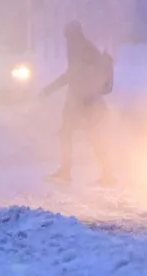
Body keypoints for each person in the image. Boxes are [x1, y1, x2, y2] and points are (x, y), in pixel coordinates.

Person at [41, 21, 113, 185]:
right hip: (78, 99)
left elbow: (72, 75)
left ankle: (106, 173)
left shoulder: (83, 49)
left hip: (86, 100)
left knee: (91, 136)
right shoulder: (80, 48)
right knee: (68, 133)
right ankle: (68, 170)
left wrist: (49, 89)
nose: (66, 39)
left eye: (68, 36)